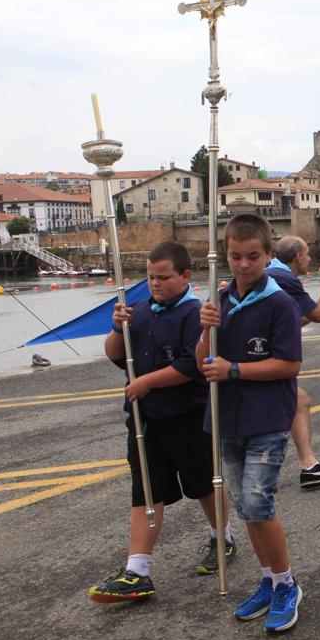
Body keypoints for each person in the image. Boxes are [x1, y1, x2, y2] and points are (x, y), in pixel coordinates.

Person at [88, 241, 234, 604]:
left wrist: (149, 381)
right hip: (145, 420)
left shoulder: (194, 314)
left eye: (164, 277)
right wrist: (117, 329)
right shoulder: (137, 311)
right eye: (151, 277)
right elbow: (116, 356)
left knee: (203, 484)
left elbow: (192, 365)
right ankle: (137, 570)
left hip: (188, 417)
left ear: (185, 276)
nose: (155, 283)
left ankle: (223, 537)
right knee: (146, 492)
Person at [196, 214, 304, 633]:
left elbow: (290, 364)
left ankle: (287, 583)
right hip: (227, 418)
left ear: (268, 254)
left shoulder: (279, 303)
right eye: (235, 256)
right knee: (244, 506)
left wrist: (234, 369)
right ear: (225, 254)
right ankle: (269, 577)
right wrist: (206, 332)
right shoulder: (218, 301)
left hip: (267, 418)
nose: (243, 265)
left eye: (253, 257)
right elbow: (201, 364)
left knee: (260, 503)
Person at [267, 236, 320, 490]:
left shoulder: (273, 275)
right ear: (298, 258)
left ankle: (309, 467)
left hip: (260, 354)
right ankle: (291, 468)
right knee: (287, 405)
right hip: (267, 359)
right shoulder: (286, 280)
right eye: (308, 253)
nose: (311, 258)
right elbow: (319, 317)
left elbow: (297, 320)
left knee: (299, 402)